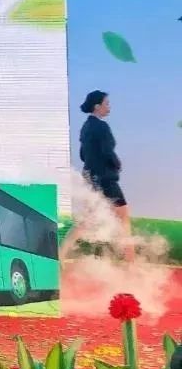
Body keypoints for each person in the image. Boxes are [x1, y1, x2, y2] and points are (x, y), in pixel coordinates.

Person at [63, 90, 133, 261]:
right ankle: (131, 261)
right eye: (106, 104)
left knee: (87, 218)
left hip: (91, 175)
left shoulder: (86, 127)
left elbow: (83, 155)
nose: (109, 107)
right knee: (123, 215)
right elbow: (107, 151)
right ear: (97, 106)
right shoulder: (101, 127)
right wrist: (117, 163)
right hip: (105, 178)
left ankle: (61, 253)